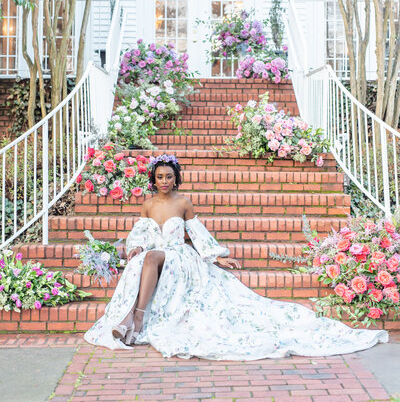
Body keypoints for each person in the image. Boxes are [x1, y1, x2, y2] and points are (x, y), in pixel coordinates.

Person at [84, 154, 388, 360]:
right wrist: (134, 247)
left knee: (151, 259)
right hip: (156, 252)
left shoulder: (184, 202)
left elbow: (198, 234)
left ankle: (135, 318)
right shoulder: (148, 205)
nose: (164, 181)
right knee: (145, 257)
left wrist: (217, 258)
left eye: (169, 176)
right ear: (153, 179)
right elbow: (141, 233)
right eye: (159, 177)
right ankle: (132, 318)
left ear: (177, 178)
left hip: (179, 256)